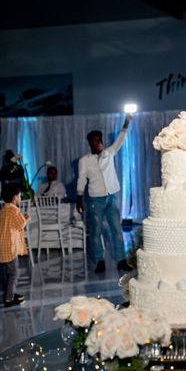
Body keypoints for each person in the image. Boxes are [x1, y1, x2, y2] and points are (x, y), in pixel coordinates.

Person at [76, 116, 133, 274]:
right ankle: (100, 261)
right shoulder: (85, 161)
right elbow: (81, 179)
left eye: (100, 139)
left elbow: (120, 140)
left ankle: (121, 260)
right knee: (96, 232)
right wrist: (79, 198)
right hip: (95, 199)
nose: (99, 142)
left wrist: (126, 123)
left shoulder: (109, 153)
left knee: (117, 229)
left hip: (112, 196)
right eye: (95, 140)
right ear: (90, 143)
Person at [0, 186, 27, 307]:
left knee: (10, 273)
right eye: (19, 196)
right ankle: (9, 298)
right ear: (15, 197)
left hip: (3, 247)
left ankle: (11, 293)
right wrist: (26, 218)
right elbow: (20, 224)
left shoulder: (2, 211)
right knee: (14, 273)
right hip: (11, 247)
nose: (20, 198)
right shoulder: (14, 210)